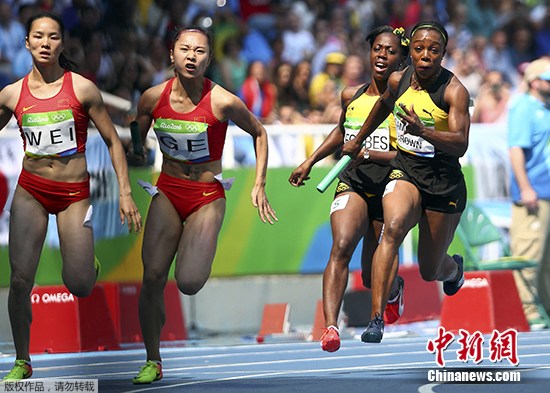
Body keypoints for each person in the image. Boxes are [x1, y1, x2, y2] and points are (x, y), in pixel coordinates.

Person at [131, 26, 278, 384]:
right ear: (172, 54)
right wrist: (137, 144)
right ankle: (153, 360)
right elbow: (138, 123)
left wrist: (259, 183)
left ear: (209, 59)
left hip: (206, 195)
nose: (192, 56)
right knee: (151, 278)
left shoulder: (223, 101)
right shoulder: (152, 97)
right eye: (185, 49)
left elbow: (259, 132)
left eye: (200, 51)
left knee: (189, 282)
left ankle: (189, 242)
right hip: (168, 189)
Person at [0, 12, 142, 381]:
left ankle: (86, 264)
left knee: (79, 284)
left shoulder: (81, 88)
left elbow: (113, 140)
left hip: (74, 194)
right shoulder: (12, 94)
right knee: (19, 279)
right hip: (31, 191)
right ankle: (22, 358)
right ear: (26, 43)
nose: (45, 43)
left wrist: (125, 193)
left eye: (53, 37)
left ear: (62, 44)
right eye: (38, 37)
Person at [342, 21, 470, 343]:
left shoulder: (454, 91)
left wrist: (424, 132)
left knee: (430, 270)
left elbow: (461, 143)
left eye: (433, 50)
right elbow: (383, 105)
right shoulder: (399, 80)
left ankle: (454, 270)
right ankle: (376, 319)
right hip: (405, 171)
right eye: (418, 49)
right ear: (410, 51)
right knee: (393, 227)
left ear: (443, 54)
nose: (425, 56)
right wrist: (359, 139)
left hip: (443, 184)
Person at [289, 26, 410, 352]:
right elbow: (343, 132)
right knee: (341, 245)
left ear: (402, 59)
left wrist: (368, 152)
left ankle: (393, 287)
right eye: (378, 49)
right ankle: (330, 328)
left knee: (373, 278)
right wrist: (311, 160)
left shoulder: (407, 100)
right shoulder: (350, 95)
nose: (383, 56)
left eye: (391, 51)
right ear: (369, 53)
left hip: (390, 185)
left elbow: (406, 154)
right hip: (353, 183)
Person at [507, 57, 550, 326]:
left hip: (547, 192)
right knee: (528, 255)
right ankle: (528, 312)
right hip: (533, 193)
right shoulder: (523, 107)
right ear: (534, 81)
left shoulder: (545, 108)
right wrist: (525, 187)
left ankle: (544, 308)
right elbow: (515, 150)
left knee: (545, 260)